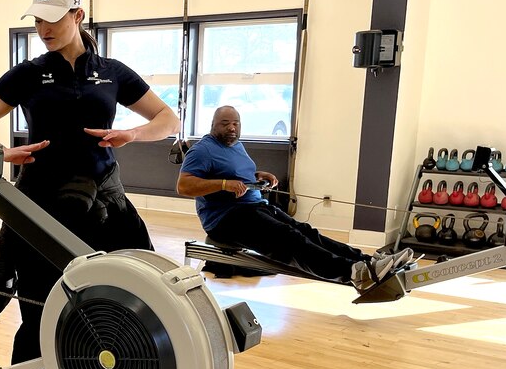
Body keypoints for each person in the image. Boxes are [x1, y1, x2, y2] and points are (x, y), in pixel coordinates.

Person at [0, 0, 181, 369]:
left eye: (53, 19)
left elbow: (169, 120)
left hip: (105, 205)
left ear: (78, 16)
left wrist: (132, 135)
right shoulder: (28, 72)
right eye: (37, 19)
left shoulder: (113, 73)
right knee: (40, 316)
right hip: (42, 206)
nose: (43, 28)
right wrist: (0, 151)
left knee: (129, 306)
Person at [176, 106, 413, 291]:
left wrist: (258, 176)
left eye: (236, 123)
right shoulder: (202, 150)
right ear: (212, 125)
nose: (231, 128)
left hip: (254, 207)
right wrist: (224, 185)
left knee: (307, 232)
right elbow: (184, 185)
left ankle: (371, 263)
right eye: (225, 123)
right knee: (290, 240)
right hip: (226, 219)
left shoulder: (236, 145)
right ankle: (353, 272)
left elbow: (237, 173)